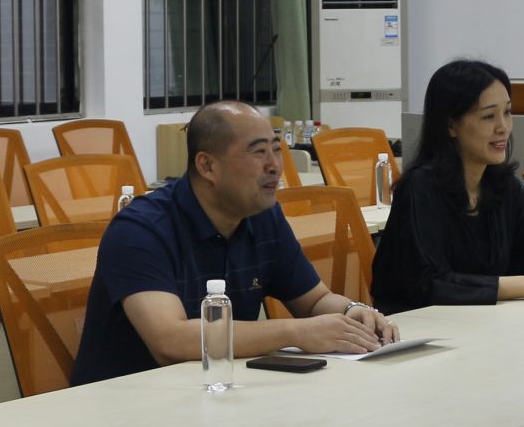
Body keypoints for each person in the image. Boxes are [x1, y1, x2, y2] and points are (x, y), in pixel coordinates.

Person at [71, 101, 399, 385]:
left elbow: (315, 301)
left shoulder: (262, 216)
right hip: (129, 402)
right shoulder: (140, 230)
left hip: (217, 389)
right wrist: (297, 332)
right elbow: (170, 341)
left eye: (276, 149)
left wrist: (354, 312)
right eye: (258, 152)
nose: (275, 165)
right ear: (207, 166)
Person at [371, 59, 524, 312]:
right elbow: (430, 284)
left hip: (482, 322)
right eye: (488, 116)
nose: (503, 127)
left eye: (507, 112)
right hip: (420, 326)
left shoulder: (503, 186)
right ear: (450, 125)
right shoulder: (420, 188)